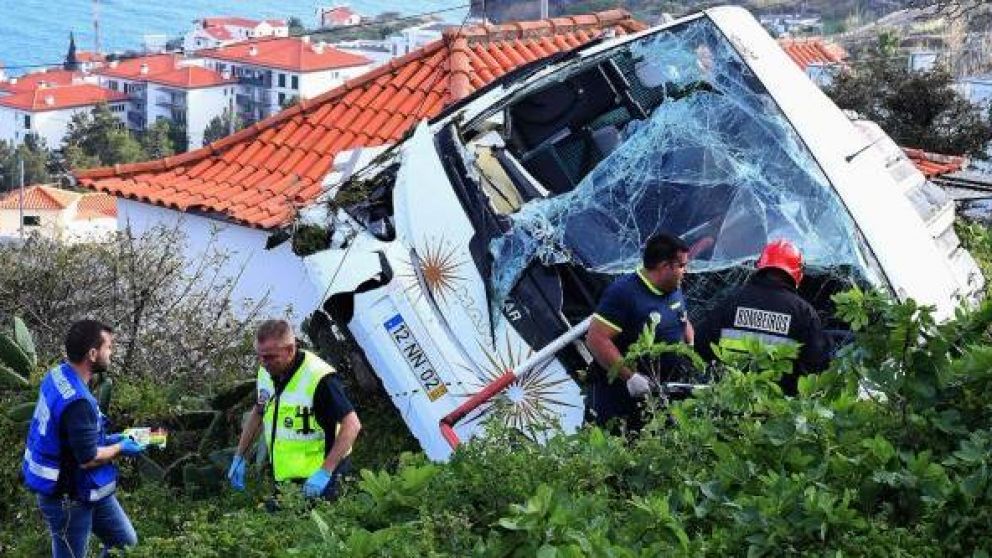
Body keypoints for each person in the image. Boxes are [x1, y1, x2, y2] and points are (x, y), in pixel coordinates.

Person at [23, 319, 147, 557]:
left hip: (86, 487)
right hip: (68, 498)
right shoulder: (79, 401)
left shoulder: (58, 374)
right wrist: (121, 447)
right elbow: (88, 458)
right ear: (92, 353)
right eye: (108, 347)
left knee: (125, 543)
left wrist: (113, 438)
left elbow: (72, 437)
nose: (111, 353)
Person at [228, 319, 361, 500]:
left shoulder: (319, 377)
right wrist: (240, 456)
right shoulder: (266, 372)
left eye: (269, 357)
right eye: (259, 356)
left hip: (323, 475)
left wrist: (325, 472)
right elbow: (259, 411)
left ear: (290, 349)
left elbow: (352, 425)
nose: (263, 362)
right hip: (286, 478)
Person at [584, 233, 694, 429]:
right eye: (682, 266)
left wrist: (688, 344)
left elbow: (682, 318)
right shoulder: (624, 293)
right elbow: (596, 339)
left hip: (660, 395)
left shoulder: (673, 287)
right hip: (620, 398)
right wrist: (630, 376)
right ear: (664, 266)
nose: (686, 271)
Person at [694, 239, 829, 394]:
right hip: (778, 410)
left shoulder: (732, 301)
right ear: (797, 273)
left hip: (731, 400)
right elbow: (817, 366)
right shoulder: (804, 313)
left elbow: (700, 345)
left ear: (760, 266)